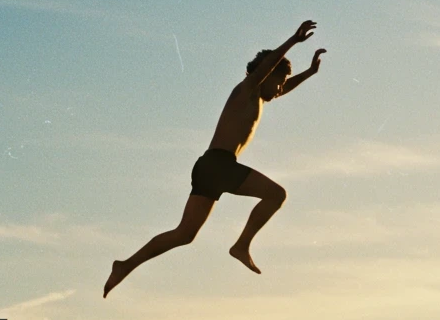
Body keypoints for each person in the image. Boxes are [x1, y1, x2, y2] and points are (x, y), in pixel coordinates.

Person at [103, 19, 326, 296]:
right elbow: (266, 69)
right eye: (278, 82)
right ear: (265, 75)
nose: (280, 89)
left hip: (209, 168)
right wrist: (293, 41)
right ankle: (241, 245)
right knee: (276, 195)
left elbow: (279, 85)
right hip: (219, 165)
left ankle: (125, 265)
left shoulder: (258, 98)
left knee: (184, 234)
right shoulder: (247, 89)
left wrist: (309, 73)